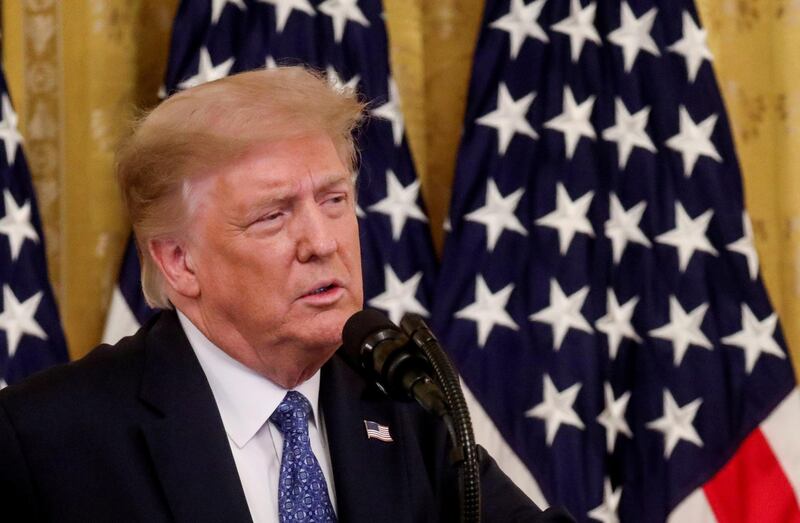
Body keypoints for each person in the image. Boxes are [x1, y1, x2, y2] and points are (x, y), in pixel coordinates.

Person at [0, 67, 573, 522]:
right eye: (273, 216)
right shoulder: (49, 438)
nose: (322, 243)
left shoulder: (408, 402)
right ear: (179, 262)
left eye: (334, 200)